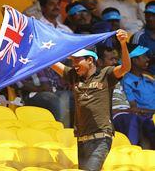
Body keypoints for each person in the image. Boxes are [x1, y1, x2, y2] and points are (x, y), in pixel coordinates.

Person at [51, 29, 131, 170]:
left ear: (90, 60)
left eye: (78, 60)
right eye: (73, 60)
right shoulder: (73, 76)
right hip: (81, 139)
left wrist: (123, 44)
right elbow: (51, 62)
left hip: (101, 138)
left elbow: (125, 67)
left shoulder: (106, 74)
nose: (74, 64)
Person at [121, 44, 155, 149]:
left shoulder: (149, 78)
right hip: (147, 118)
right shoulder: (127, 80)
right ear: (135, 60)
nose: (147, 59)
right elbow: (134, 108)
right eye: (144, 56)